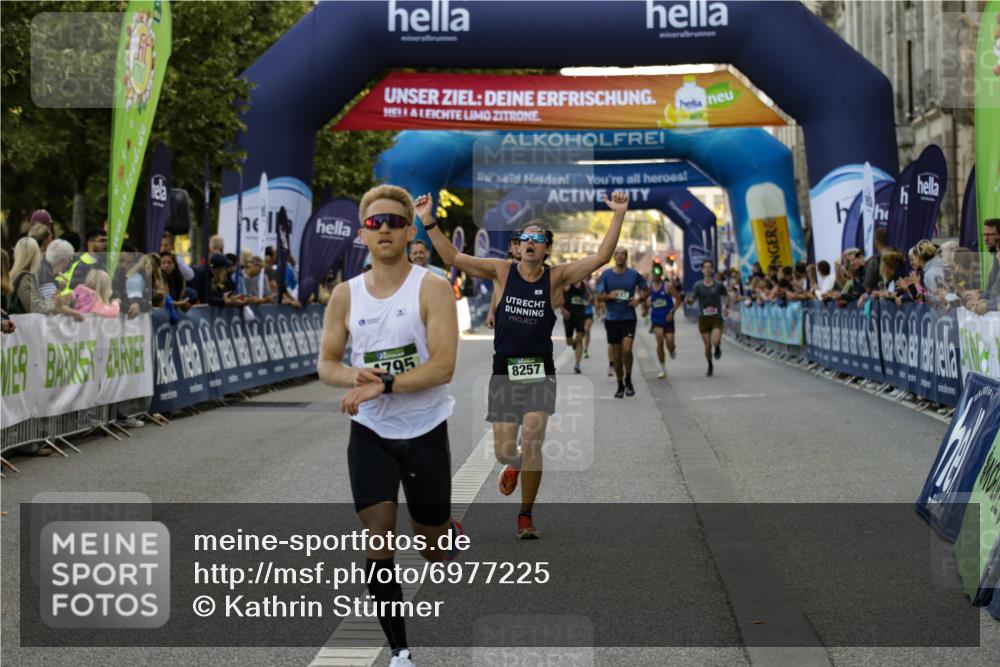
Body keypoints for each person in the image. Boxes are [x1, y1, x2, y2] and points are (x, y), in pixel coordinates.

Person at [425, 190, 630, 538]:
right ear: (517, 247)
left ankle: (525, 515)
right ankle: (514, 463)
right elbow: (452, 256)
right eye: (524, 238)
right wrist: (428, 220)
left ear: (547, 249)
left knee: (533, 437)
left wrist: (619, 214)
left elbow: (601, 257)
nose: (530, 242)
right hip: (505, 370)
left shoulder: (557, 277)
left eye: (538, 239)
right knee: (505, 450)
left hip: (539, 370)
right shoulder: (501, 271)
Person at [318, 185, 461, 667]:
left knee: (434, 549)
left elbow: (443, 367)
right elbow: (327, 364)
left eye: (395, 222)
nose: (384, 229)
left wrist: (388, 384)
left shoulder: (432, 287)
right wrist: (354, 377)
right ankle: (400, 651)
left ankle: (445, 530)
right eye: (375, 223)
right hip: (372, 433)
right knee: (378, 536)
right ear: (362, 233)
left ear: (409, 231)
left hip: (424, 429)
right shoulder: (345, 295)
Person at [596, 248, 648, 398]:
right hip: (612, 319)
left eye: (622, 254)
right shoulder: (606, 275)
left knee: (627, 349)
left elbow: (646, 290)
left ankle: (629, 379)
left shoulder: (633, 274)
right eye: (617, 254)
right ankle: (620, 384)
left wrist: (639, 299)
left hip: (628, 318)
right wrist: (609, 296)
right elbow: (598, 296)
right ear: (614, 257)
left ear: (626, 256)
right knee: (617, 356)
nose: (619, 256)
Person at [685, 259, 729, 377]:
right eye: (705, 267)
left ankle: (718, 347)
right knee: (707, 346)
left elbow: (726, 295)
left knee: (715, 341)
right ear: (702, 270)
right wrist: (689, 301)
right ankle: (710, 365)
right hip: (703, 319)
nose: (708, 269)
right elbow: (692, 299)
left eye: (709, 267)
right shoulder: (698, 286)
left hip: (716, 318)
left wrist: (726, 306)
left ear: (712, 269)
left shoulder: (718, 285)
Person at [647, 269, 681, 378]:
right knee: (660, 342)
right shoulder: (649, 287)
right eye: (653, 273)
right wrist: (644, 309)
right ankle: (663, 369)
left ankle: (672, 350)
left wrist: (672, 312)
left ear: (661, 274)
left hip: (668, 319)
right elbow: (644, 300)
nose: (655, 275)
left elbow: (678, 299)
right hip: (656, 320)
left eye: (657, 273)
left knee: (670, 343)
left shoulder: (667, 286)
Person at [485, 235, 521, 329]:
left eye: (521, 243)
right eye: (515, 244)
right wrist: (491, 312)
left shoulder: (534, 268)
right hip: (504, 318)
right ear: (510, 248)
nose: (518, 247)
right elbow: (496, 290)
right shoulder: (502, 266)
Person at [562, 279, 591, 373]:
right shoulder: (567, 284)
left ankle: (577, 365)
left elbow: (588, 296)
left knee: (579, 338)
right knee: (569, 342)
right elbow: (559, 296)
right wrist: (563, 309)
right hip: (569, 316)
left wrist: (588, 298)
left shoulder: (583, 284)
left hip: (580, 316)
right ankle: (574, 344)